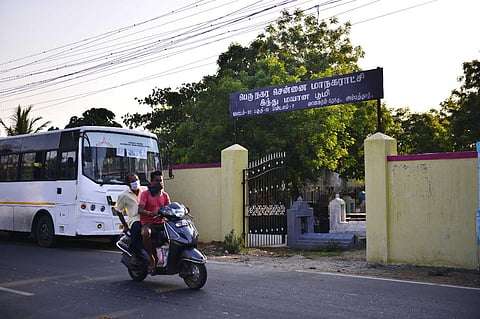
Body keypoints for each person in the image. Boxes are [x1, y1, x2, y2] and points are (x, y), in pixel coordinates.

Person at [138, 170, 171, 272]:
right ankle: (151, 258)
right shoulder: (145, 194)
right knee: (145, 233)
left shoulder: (165, 195)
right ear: (151, 182)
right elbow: (140, 210)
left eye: (161, 180)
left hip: (162, 223)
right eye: (156, 180)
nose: (159, 183)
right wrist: (150, 213)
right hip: (149, 223)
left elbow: (169, 208)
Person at [114, 172, 144, 264]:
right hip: (135, 219)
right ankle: (133, 252)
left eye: (137, 180)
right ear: (128, 184)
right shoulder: (123, 195)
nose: (136, 182)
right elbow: (118, 210)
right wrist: (125, 226)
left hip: (147, 217)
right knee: (136, 228)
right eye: (132, 181)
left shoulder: (145, 190)